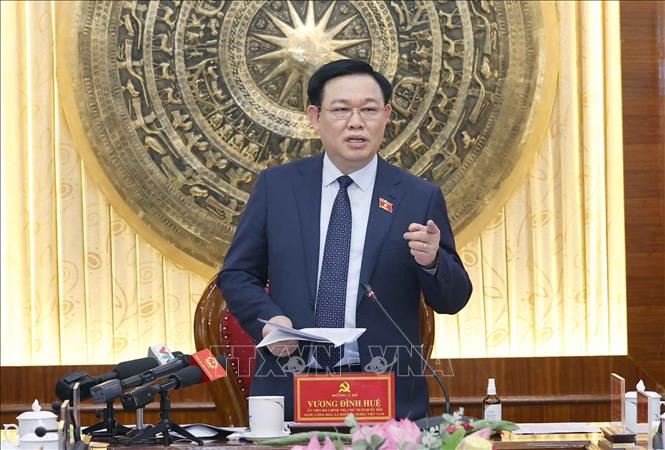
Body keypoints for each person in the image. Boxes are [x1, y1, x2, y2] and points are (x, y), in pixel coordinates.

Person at [218, 59, 472, 421]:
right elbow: (237, 274)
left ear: (386, 115)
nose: (356, 122)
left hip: (384, 395)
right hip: (291, 387)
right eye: (341, 110)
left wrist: (433, 262)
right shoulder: (277, 188)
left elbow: (453, 299)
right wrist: (270, 320)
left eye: (369, 110)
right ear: (315, 117)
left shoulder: (418, 196)